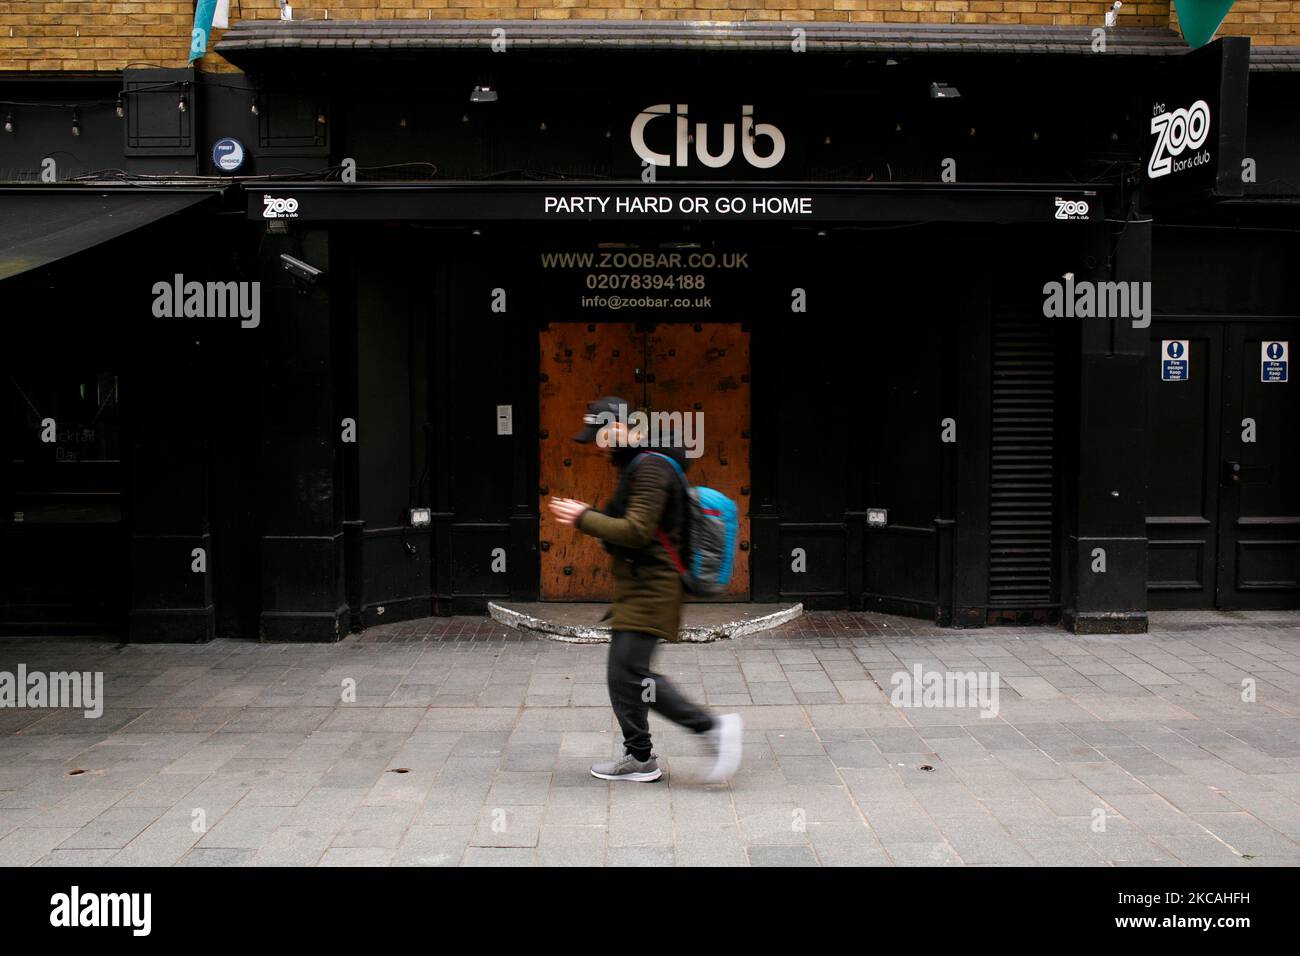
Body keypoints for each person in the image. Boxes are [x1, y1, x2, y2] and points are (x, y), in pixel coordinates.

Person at [547, 396, 743, 784]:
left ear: (622, 426)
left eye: (603, 433)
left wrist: (584, 518)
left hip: (656, 587)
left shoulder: (652, 466)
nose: (600, 443)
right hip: (640, 587)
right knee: (623, 676)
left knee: (633, 676)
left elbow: (637, 531)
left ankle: (712, 729)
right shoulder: (640, 463)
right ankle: (640, 758)